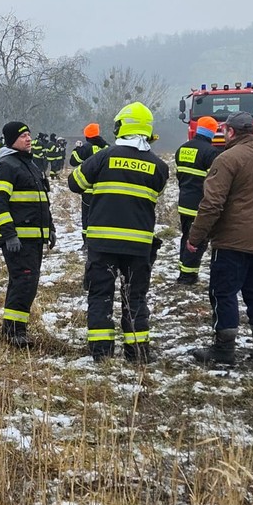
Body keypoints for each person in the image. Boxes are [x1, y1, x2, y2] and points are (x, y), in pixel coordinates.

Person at [67, 102, 169, 363]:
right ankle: (137, 353)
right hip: (139, 246)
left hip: (103, 243)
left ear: (122, 126)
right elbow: (156, 192)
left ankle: (101, 353)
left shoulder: (104, 156)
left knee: (100, 295)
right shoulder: (158, 166)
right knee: (135, 297)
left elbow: (75, 183)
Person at [187, 111, 253, 365]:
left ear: (231, 132)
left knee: (223, 293)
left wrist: (196, 236)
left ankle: (224, 350)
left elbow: (211, 204)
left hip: (232, 241)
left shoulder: (227, 159)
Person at [0, 120, 55, 347]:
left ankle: (11, 330)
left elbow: (42, 201)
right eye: (23, 135)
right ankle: (15, 333)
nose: (29, 138)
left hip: (34, 238)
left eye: (29, 134)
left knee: (25, 282)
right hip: (18, 240)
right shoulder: (6, 166)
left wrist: (50, 228)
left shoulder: (31, 165)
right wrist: (8, 234)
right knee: (24, 282)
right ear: (11, 140)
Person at [174, 117, 223, 285]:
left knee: (186, 237)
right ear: (213, 132)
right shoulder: (211, 153)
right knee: (197, 241)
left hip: (184, 202)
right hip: (200, 205)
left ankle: (184, 271)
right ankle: (188, 276)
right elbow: (214, 183)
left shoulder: (182, 149)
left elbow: (179, 175)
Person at [70, 123, 110, 248]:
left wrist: (77, 149)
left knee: (87, 216)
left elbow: (73, 161)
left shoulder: (86, 147)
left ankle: (87, 243)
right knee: (103, 215)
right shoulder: (108, 147)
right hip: (105, 189)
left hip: (88, 190)